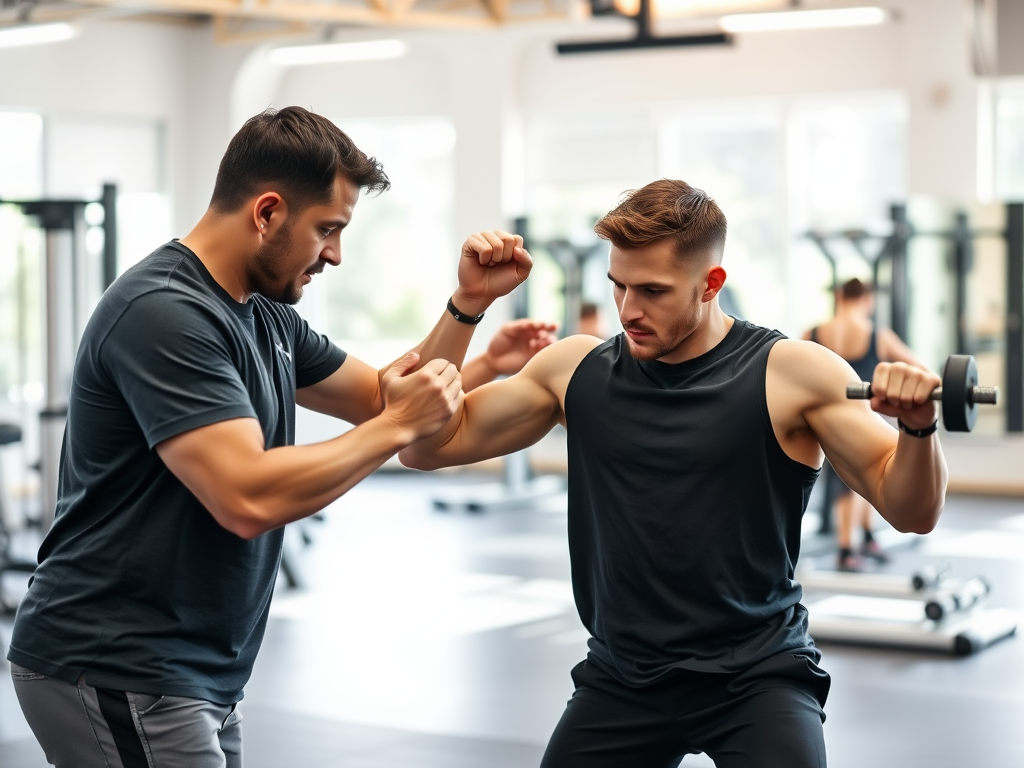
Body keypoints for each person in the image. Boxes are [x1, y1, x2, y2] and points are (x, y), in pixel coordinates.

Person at [6, 106, 552, 768]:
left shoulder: (261, 312)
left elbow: (384, 395)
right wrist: (397, 426)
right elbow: (246, 498)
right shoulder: (166, 314)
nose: (336, 255)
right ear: (267, 213)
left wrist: (466, 307)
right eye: (328, 229)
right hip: (117, 662)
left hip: (192, 671)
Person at [401, 179, 948, 768]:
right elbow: (426, 446)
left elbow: (912, 510)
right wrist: (467, 307)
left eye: (653, 291)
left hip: (757, 677)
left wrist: (918, 428)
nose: (629, 310)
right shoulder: (574, 369)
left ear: (711, 284)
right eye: (619, 286)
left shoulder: (791, 372)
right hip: (622, 677)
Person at [802, 278, 926, 572]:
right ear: (867, 299)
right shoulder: (877, 335)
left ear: (840, 297)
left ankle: (867, 536)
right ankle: (846, 548)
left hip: (823, 418)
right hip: (863, 419)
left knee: (854, 476)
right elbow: (920, 370)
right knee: (862, 474)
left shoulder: (813, 332)